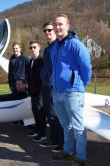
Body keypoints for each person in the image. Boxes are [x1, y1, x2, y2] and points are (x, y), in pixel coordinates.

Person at [50, 14, 92, 166]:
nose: (57, 27)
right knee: (65, 125)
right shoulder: (55, 46)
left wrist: (80, 86)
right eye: (55, 24)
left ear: (68, 26)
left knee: (78, 128)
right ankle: (67, 151)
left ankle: (80, 158)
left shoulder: (76, 45)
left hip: (73, 93)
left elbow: (86, 67)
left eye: (60, 24)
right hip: (58, 92)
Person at [38, 21, 64, 153]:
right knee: (48, 113)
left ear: (54, 30)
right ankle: (53, 139)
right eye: (45, 31)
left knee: (55, 114)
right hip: (45, 84)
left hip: (54, 85)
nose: (47, 32)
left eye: (49, 30)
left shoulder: (59, 46)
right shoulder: (47, 49)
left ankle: (61, 142)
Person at [26, 41, 47, 142]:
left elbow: (42, 77)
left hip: (39, 91)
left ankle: (42, 133)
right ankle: (37, 130)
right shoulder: (31, 61)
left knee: (40, 111)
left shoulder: (42, 60)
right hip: (32, 91)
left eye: (34, 47)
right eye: (31, 48)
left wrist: (39, 89)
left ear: (39, 47)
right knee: (35, 111)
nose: (33, 49)